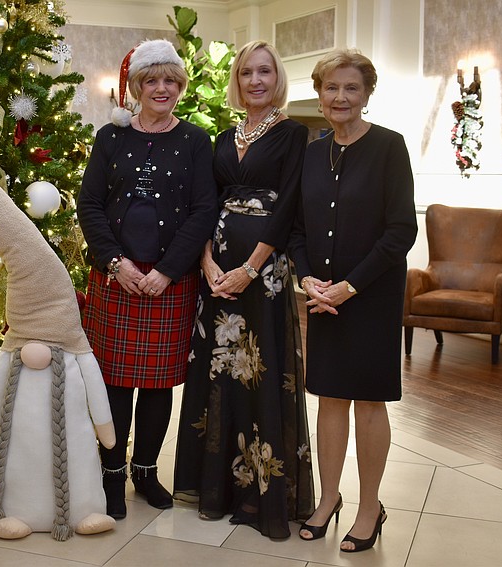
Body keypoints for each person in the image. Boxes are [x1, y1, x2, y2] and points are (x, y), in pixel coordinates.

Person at [172, 40, 315, 539]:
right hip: (217, 275)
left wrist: (250, 269)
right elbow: (205, 204)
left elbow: (290, 204)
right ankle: (218, 487)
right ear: (237, 80)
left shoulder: (294, 133)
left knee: (258, 372)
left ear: (278, 79)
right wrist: (207, 262)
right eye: (248, 73)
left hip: (263, 275)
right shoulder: (220, 139)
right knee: (218, 374)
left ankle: (262, 494)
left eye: (266, 72)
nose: (256, 80)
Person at [77, 38, 217, 520]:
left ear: (180, 86)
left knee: (158, 388)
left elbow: (203, 211)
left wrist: (165, 272)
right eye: (151, 80)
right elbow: (89, 204)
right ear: (136, 86)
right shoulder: (110, 138)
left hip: (169, 285)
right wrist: (116, 262)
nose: (162, 88)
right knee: (114, 385)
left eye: (170, 80)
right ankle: (111, 475)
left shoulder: (196, 141)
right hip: (114, 282)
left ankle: (146, 470)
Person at [287, 49, 417, 552]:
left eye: (351, 88)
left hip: (371, 296)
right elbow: (298, 228)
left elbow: (401, 230)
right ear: (319, 95)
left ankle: (369, 508)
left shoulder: (389, 147)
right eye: (331, 88)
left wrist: (350, 286)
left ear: (366, 95)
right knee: (329, 398)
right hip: (323, 299)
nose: (340, 97)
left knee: (367, 400)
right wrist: (308, 280)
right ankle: (328, 499)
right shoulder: (312, 152)